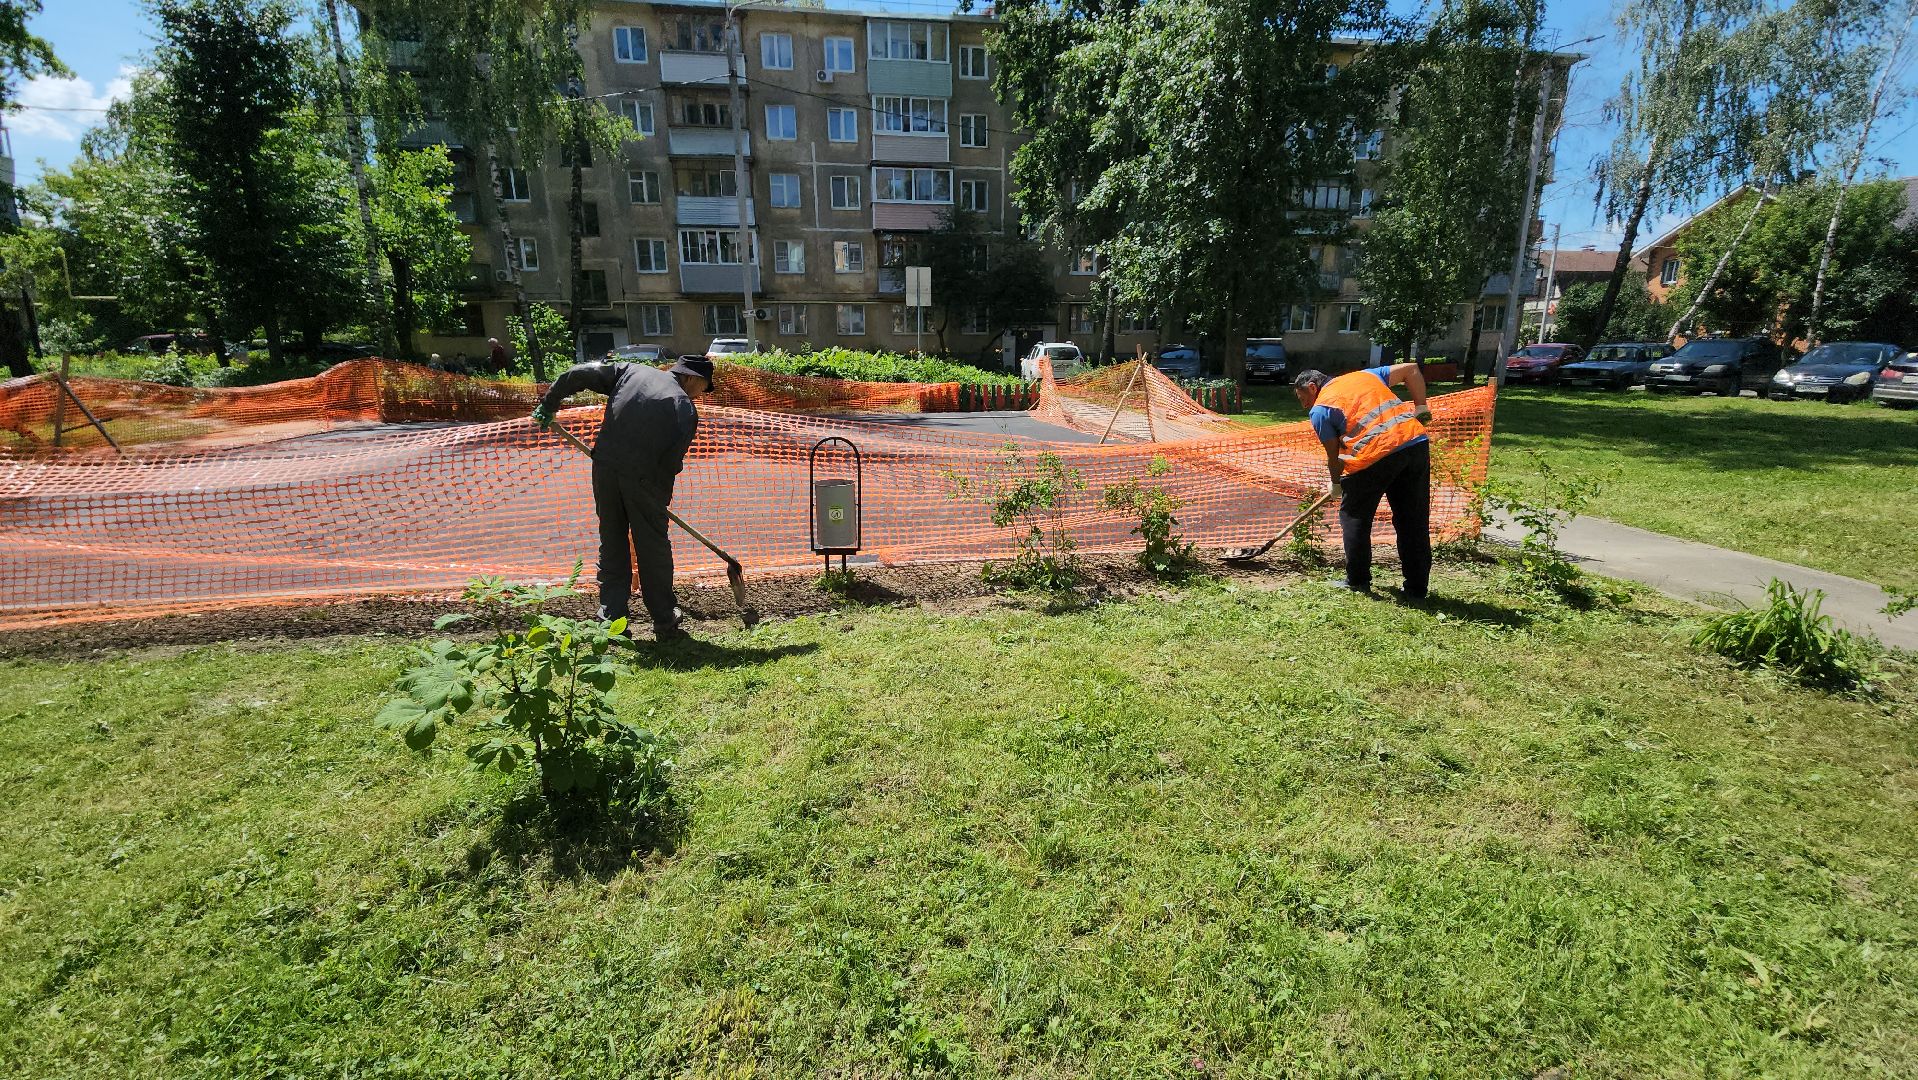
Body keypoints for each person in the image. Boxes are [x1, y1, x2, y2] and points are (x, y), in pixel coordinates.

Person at [531, 355, 714, 640]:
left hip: (605, 470)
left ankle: (611, 622)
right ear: (692, 378)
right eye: (704, 387)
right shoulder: (683, 407)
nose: (701, 394)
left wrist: (549, 404)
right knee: (653, 550)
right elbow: (672, 462)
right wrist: (657, 499)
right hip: (645, 482)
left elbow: (579, 373)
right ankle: (664, 619)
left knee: (612, 543)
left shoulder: (630, 371)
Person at [1293, 364, 1434, 599]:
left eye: (1303, 398)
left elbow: (1334, 457)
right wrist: (1421, 406)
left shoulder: (1321, 409)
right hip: (1415, 445)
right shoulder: (1366, 376)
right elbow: (1411, 369)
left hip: (1375, 456)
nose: (1304, 405)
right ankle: (1417, 588)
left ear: (1312, 387)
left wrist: (1336, 483)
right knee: (1413, 518)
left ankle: (1358, 581)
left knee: (1354, 516)